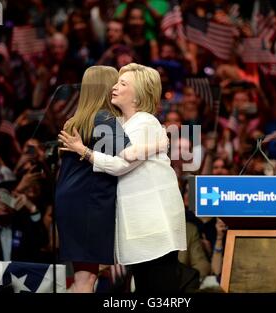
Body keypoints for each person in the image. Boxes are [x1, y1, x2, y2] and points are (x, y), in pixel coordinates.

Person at [59, 63, 186, 293]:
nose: (114, 87)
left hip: (154, 223)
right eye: (116, 82)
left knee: (159, 287)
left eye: (122, 83)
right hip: (140, 225)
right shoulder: (120, 124)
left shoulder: (145, 121)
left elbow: (120, 165)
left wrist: (84, 151)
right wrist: (162, 143)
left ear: (137, 95)